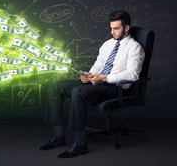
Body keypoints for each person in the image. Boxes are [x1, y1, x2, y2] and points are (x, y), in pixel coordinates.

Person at [40, 10, 145, 158]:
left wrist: (105, 78)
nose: (112, 32)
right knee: (55, 86)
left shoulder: (135, 48)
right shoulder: (108, 44)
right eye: (111, 28)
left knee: (78, 91)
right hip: (98, 82)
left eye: (116, 28)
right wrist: (89, 75)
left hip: (114, 88)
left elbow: (132, 75)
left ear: (127, 28)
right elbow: (99, 64)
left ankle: (80, 144)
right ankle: (58, 136)